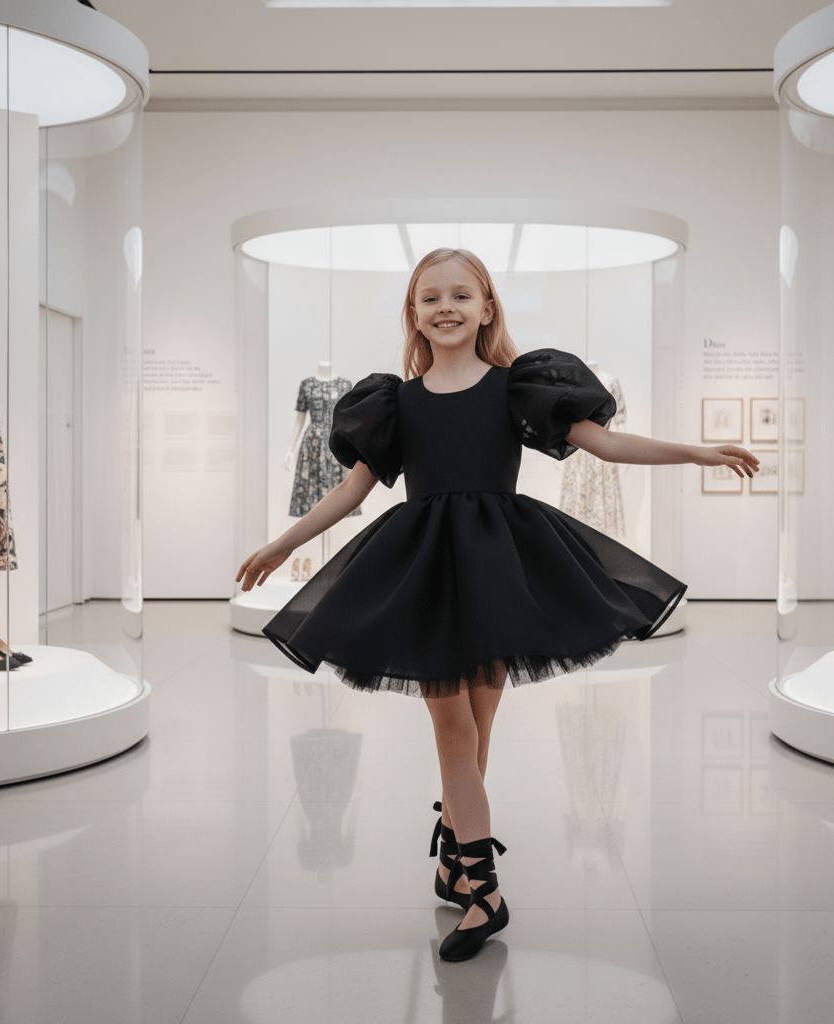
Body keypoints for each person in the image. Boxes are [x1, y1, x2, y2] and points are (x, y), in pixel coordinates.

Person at [237, 247, 759, 962]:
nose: (446, 308)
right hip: (426, 575)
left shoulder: (519, 388)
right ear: (414, 313)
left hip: (497, 572)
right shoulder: (394, 402)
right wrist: (281, 544)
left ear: (487, 308)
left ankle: (455, 859)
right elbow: (352, 490)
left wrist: (696, 453)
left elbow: (605, 443)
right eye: (430, 298)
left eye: (461, 295)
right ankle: (485, 892)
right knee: (455, 732)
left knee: (477, 732)